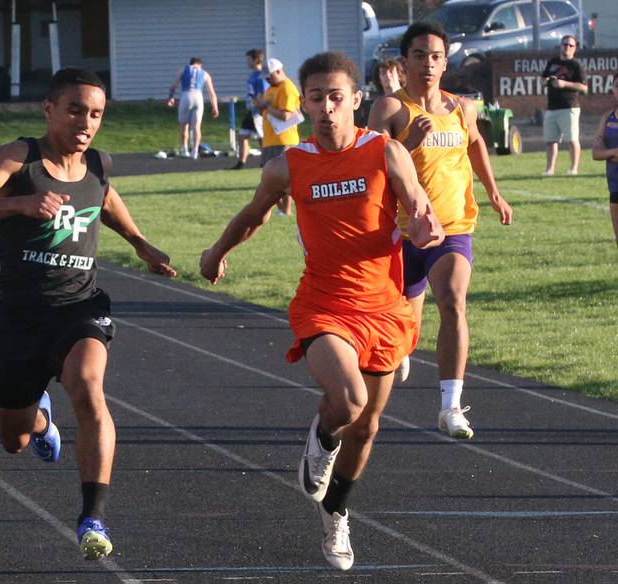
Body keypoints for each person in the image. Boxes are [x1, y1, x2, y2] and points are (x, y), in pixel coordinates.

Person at [200, 51, 444, 571]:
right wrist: (217, 252)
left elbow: (419, 205)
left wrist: (426, 227)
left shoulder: (385, 151)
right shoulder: (288, 164)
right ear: (305, 103)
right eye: (317, 98)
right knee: (348, 400)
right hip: (325, 304)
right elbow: (252, 215)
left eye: (337, 97)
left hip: (383, 306)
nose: (328, 108)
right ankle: (321, 435)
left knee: (369, 427)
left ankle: (336, 514)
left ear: (356, 100)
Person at [0, 68, 177, 560]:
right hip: (19, 317)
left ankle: (93, 515)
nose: (85, 122)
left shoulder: (97, 164)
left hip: (80, 307)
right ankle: (43, 424)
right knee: (14, 439)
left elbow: (106, 198)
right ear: (48, 109)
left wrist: (139, 243)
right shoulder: (18, 157)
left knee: (89, 386)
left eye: (95, 114)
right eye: (75, 110)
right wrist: (21, 204)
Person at [367, 21, 512, 439]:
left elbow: (476, 144)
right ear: (405, 61)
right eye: (419, 56)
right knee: (401, 332)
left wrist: (494, 193)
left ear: (445, 63)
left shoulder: (463, 108)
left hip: (451, 229)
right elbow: (373, 169)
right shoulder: (389, 110)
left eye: (435, 57)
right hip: (400, 232)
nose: (428, 64)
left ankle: (450, 407)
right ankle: (403, 346)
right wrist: (409, 142)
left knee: (452, 300)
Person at [255, 58, 302, 215]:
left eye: (270, 76)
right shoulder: (271, 88)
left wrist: (267, 106)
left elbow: (286, 116)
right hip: (270, 139)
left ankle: (286, 210)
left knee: (283, 177)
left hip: (283, 139)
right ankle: (281, 209)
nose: (268, 80)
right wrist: (261, 105)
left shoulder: (287, 88)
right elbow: (267, 111)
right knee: (269, 178)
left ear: (279, 71)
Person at [542, 35, 588, 176]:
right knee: (550, 141)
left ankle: (573, 169)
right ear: (560, 46)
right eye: (564, 44)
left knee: (572, 139)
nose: (567, 47)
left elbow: (584, 88)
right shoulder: (552, 62)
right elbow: (543, 79)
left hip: (569, 107)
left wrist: (565, 84)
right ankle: (550, 169)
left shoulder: (576, 65)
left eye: (570, 45)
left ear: (575, 48)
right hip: (552, 107)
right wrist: (546, 81)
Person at [167, 57, 219, 159]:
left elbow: (173, 86)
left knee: (184, 124)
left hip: (186, 95)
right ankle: (195, 151)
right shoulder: (205, 73)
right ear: (200, 65)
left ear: (191, 63)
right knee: (196, 126)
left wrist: (170, 97)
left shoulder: (184, 69)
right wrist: (215, 107)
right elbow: (212, 93)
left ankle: (184, 149)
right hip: (198, 97)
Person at [231, 48, 269, 170]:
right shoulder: (253, 75)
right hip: (251, 111)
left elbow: (263, 94)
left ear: (255, 60)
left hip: (258, 112)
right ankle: (241, 162)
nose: (247, 62)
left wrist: (260, 108)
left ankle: (267, 161)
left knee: (261, 138)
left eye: (248, 59)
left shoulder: (261, 76)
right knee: (242, 135)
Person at [592, 74, 618, 247]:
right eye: (617, 86)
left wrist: (606, 152)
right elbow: (595, 153)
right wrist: (614, 151)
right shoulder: (607, 117)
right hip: (615, 186)